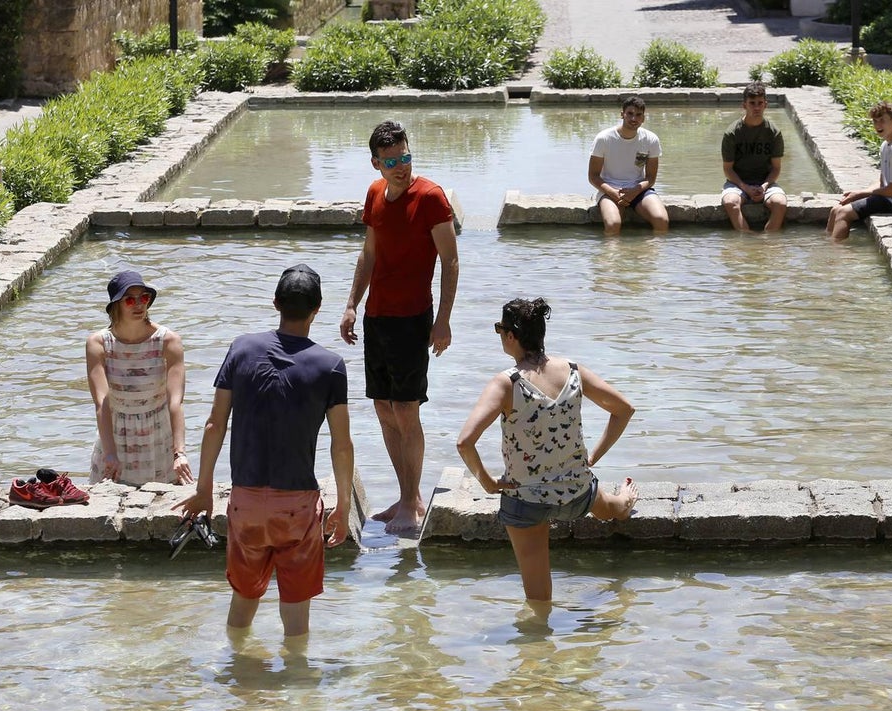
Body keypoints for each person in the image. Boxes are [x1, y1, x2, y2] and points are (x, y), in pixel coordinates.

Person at [178, 264, 354, 638]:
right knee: (296, 619)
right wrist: (343, 505)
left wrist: (204, 488)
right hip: (297, 506)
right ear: (317, 308)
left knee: (243, 603)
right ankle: (295, 685)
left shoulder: (241, 349)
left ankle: (239, 678)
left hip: (247, 502)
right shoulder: (331, 366)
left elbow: (215, 423)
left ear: (275, 303)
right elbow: (342, 443)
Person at [456, 298, 639, 604]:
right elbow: (624, 409)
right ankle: (623, 505)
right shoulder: (572, 370)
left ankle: (540, 648)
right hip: (577, 493)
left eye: (499, 329)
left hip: (526, 501)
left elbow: (464, 442)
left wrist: (488, 483)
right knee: (607, 505)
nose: (500, 335)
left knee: (538, 599)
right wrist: (592, 457)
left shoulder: (506, 384)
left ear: (511, 336)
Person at [340, 120, 460, 534]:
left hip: (413, 319)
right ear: (376, 163)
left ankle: (412, 502)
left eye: (405, 157)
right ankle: (407, 496)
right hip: (377, 318)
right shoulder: (375, 194)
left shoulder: (430, 197)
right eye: (391, 161)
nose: (401, 167)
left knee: (407, 410)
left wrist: (443, 319)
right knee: (383, 409)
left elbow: (451, 260)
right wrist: (351, 304)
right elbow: (368, 254)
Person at [86, 270, 193, 487]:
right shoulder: (98, 344)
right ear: (116, 305)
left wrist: (179, 452)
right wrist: (109, 453)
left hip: (158, 436)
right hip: (115, 434)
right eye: (130, 300)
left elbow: (175, 402)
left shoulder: (168, 341)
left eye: (144, 298)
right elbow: (101, 403)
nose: (139, 304)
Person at [826, 101, 892, 242]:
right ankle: (828, 244)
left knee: (843, 213)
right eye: (875, 121)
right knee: (836, 209)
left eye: (882, 121)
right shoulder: (886, 145)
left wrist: (863, 194)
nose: (878, 125)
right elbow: (882, 182)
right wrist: (858, 193)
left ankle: (835, 254)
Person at [588, 95, 670, 235]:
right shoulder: (604, 138)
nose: (634, 119)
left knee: (661, 220)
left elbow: (650, 178)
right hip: (610, 189)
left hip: (639, 189)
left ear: (643, 118)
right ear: (622, 114)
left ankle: (647, 255)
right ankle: (613, 256)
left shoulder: (651, 139)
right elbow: (593, 176)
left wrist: (635, 191)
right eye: (630, 114)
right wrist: (612, 193)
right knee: (613, 224)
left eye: (638, 115)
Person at [721, 81, 787, 232]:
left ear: (766, 104)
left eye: (760, 103)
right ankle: (748, 240)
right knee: (731, 202)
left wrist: (764, 186)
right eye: (752, 103)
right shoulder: (732, 133)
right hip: (738, 182)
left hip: (765, 182)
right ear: (744, 105)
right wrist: (746, 188)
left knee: (780, 203)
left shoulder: (774, 132)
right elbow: (728, 169)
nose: (756, 108)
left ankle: (767, 241)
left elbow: (776, 168)